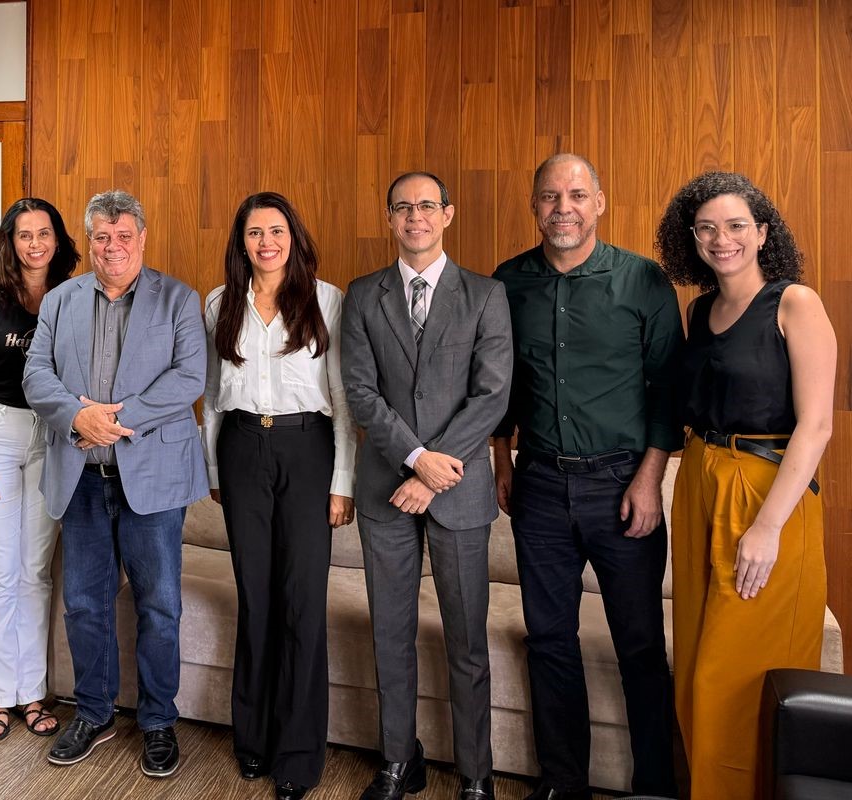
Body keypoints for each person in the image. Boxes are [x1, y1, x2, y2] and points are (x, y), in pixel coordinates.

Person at [491, 154, 681, 800]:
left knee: (637, 645)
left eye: (575, 195)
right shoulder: (507, 283)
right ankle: (563, 783)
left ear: (598, 202)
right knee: (548, 639)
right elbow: (501, 387)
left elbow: (668, 389)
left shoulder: (642, 282)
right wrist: (501, 463)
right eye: (548, 196)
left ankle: (654, 782)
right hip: (538, 484)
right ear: (533, 206)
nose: (562, 207)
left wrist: (650, 478)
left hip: (623, 485)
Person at [656, 172, 833, 800]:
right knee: (695, 670)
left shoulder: (796, 304)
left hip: (766, 493)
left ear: (762, 233)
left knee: (733, 674)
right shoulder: (699, 309)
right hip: (701, 484)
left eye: (735, 225)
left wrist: (766, 526)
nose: (720, 238)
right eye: (705, 228)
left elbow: (815, 427)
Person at [24, 189, 207, 779]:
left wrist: (116, 416)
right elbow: (36, 373)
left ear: (142, 238)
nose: (112, 247)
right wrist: (77, 417)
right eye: (101, 237)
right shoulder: (59, 299)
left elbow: (189, 379)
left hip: (149, 476)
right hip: (80, 476)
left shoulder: (179, 298)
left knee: (159, 605)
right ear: (90, 242)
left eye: (123, 235)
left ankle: (157, 721)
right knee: (83, 603)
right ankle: (95, 711)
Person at [342, 173, 511, 800]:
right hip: (388, 490)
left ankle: (475, 774)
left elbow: (492, 395)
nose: (415, 217)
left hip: (459, 494)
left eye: (426, 206)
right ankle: (398, 761)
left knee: (467, 641)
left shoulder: (486, 295)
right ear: (390, 219)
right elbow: (361, 392)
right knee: (391, 633)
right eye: (403, 208)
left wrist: (435, 470)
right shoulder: (362, 296)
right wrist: (415, 458)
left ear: (448, 214)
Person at [201, 192, 355, 800]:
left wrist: (341, 482)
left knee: (300, 603)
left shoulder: (327, 300)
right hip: (241, 450)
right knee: (255, 598)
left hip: (307, 450)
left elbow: (342, 400)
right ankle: (253, 739)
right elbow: (212, 398)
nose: (267, 242)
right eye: (255, 232)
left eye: (277, 230)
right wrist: (214, 468)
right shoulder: (219, 303)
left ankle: (298, 751)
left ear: (294, 236)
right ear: (241, 242)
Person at [0, 198, 79, 740]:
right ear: (9, 240)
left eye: (44, 233)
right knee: (0, 572)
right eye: (24, 234)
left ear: (58, 240)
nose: (35, 244)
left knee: (35, 572)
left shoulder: (73, 293)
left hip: (52, 435)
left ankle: (32, 694)